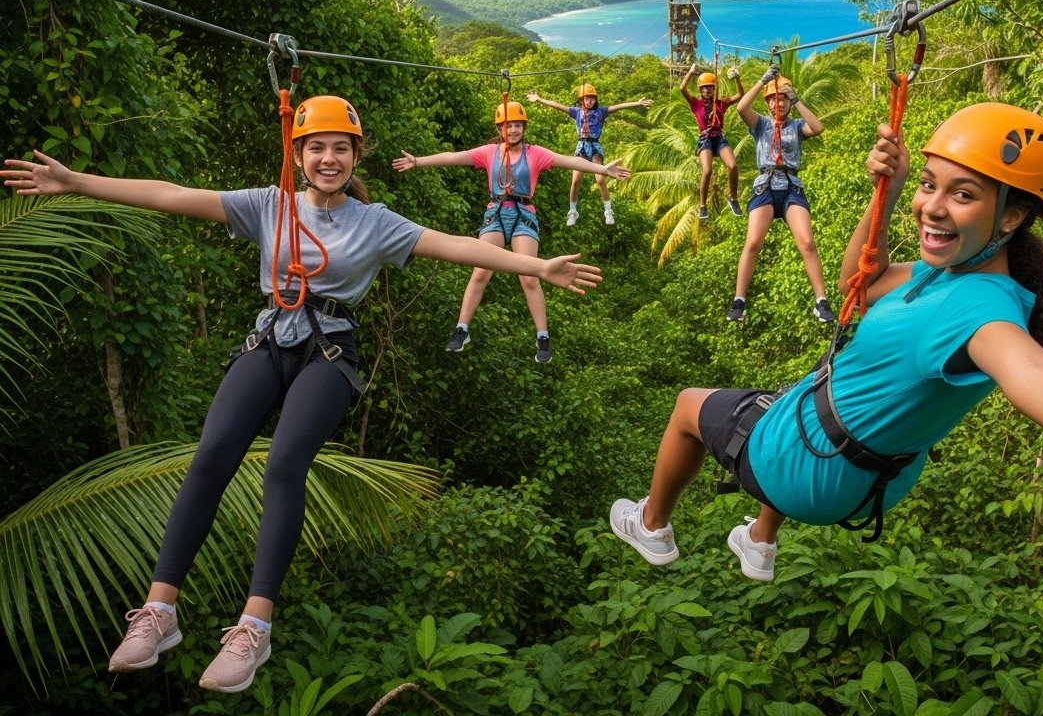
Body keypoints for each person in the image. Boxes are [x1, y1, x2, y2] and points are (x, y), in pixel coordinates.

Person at [1, 95, 603, 693]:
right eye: (317, 147)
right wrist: (77, 181)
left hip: (331, 352)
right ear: (298, 154)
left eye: (341, 148)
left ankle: (253, 627)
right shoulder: (270, 206)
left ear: (356, 154)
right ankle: (159, 612)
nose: (330, 158)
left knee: (285, 464)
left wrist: (536, 266)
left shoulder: (375, 222)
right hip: (270, 340)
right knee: (211, 455)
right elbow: (174, 196)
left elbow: (454, 244)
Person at [609, 102, 1043, 589]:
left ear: (1011, 217)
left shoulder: (980, 314)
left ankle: (655, 526)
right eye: (930, 187)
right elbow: (855, 283)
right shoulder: (957, 277)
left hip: (813, 471)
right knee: (794, 398)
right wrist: (889, 190)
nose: (933, 207)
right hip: (870, 478)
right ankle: (759, 541)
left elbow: (1037, 374)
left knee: (691, 406)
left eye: (963, 195)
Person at [393, 99, 630, 363]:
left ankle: (542, 336)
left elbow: (569, 160)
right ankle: (462, 330)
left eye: (517, 125)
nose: (513, 130)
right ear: (500, 128)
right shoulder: (489, 152)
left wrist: (601, 168)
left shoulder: (535, 153)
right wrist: (418, 161)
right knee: (481, 270)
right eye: (508, 126)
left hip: (523, 215)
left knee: (529, 275)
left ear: (523, 127)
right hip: (495, 213)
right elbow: (453, 157)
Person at [726, 64, 833, 324]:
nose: (779, 104)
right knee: (753, 243)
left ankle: (821, 301)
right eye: (774, 99)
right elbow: (741, 108)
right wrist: (764, 81)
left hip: (791, 185)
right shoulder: (760, 124)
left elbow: (817, 127)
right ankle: (739, 300)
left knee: (806, 242)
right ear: (768, 102)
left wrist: (796, 99)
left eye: (783, 99)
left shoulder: (796, 126)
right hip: (765, 184)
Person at [526, 84, 652, 226]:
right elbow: (557, 105)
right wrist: (539, 99)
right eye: (587, 98)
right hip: (581, 148)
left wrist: (637, 103)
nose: (590, 101)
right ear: (582, 99)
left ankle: (608, 211)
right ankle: (573, 212)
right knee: (575, 182)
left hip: (594, 147)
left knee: (600, 180)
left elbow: (619, 106)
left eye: (592, 98)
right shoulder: (576, 112)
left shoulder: (601, 112)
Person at [679, 63, 744, 221]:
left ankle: (733, 199)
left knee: (733, 165)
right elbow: (682, 89)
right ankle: (703, 205)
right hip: (706, 139)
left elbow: (740, 95)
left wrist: (736, 77)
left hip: (719, 138)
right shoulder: (696, 104)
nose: (708, 91)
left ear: (714, 89)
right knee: (707, 171)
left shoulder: (721, 103)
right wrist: (690, 72)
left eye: (710, 88)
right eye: (704, 88)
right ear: (701, 90)